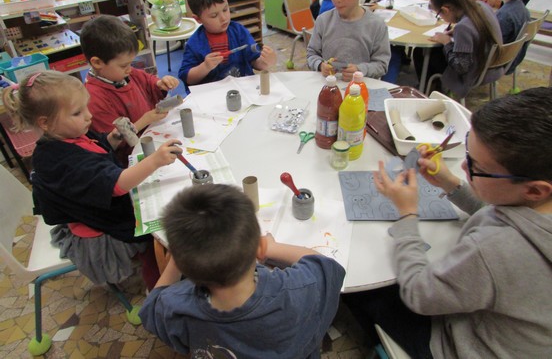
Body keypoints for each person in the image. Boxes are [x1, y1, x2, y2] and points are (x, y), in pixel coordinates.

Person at [344, 87, 552, 358]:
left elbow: (419, 295)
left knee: (364, 286)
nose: (463, 168)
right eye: (467, 150)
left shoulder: (495, 249)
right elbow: (500, 209)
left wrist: (407, 214)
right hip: (509, 328)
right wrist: (451, 184)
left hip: (461, 345)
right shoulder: (537, 204)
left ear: (535, 190)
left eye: (476, 167)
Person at [2, 71, 184, 290]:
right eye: (78, 112)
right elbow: (117, 184)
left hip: (94, 208)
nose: (89, 116)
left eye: (86, 107)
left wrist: (114, 137)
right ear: (46, 123)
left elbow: (98, 148)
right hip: (99, 229)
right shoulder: (59, 160)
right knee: (155, 236)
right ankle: (153, 289)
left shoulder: (69, 135)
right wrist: (154, 161)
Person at [139, 183, 345, 358]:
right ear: (260, 248)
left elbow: (151, 308)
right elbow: (324, 265)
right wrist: (273, 248)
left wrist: (177, 260)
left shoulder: (175, 307)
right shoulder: (299, 290)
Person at [80, 14, 180, 165]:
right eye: (123, 65)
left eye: (130, 63)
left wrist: (160, 84)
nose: (129, 69)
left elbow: (148, 81)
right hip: (132, 159)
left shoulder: (125, 73)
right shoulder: (93, 98)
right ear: (97, 62)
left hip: (154, 136)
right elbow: (112, 141)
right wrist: (145, 120)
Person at [307, 0, 391, 81]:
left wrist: (360, 70)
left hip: (361, 91)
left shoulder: (377, 26)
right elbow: (312, 54)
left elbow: (381, 65)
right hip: (329, 88)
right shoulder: (323, 21)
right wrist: (319, 65)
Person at [412, 0, 503, 98]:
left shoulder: (463, 27)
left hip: (475, 73)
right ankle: (433, 86)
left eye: (439, 15)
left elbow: (461, 67)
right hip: (493, 67)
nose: (442, 18)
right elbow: (480, 30)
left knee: (421, 52)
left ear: (446, 9)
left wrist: (447, 42)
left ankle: (430, 90)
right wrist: (455, 33)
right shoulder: (481, 5)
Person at [178, 0, 277, 86]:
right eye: (214, 16)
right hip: (212, 95)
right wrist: (205, 67)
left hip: (243, 90)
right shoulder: (194, 43)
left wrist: (266, 62)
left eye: (225, 9)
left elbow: (254, 61)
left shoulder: (239, 31)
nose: (223, 18)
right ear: (198, 19)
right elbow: (188, 78)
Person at [495, 0, 533, 73]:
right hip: (513, 58)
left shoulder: (504, 15)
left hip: (498, 62)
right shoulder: (523, 9)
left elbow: (492, 43)